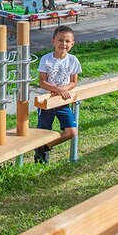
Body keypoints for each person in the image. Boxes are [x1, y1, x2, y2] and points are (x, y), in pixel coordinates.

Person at [34, 25, 82, 163]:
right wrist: (58, 90)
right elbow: (42, 82)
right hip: (47, 102)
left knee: (71, 132)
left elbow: (73, 82)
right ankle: (40, 159)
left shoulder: (73, 60)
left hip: (63, 101)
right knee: (44, 132)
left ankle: (44, 148)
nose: (64, 44)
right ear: (53, 41)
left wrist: (63, 90)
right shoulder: (46, 59)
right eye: (60, 40)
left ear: (72, 43)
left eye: (67, 41)